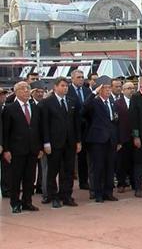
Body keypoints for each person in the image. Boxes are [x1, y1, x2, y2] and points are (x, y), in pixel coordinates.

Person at [39, 77, 81, 208]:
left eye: (66, 86)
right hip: (54, 142)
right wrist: (46, 143)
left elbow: (76, 123)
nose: (65, 88)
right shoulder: (47, 102)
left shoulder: (71, 101)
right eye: (62, 85)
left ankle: (66, 195)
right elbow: (44, 124)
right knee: (53, 171)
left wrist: (78, 141)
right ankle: (53, 196)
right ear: (55, 87)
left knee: (68, 170)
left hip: (70, 142)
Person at [2, 81, 43, 213]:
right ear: (16, 92)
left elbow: (39, 129)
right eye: (23, 89)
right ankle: (15, 203)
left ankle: (27, 202)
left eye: (28, 89)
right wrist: (6, 150)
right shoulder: (9, 108)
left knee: (29, 177)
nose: (26, 91)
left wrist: (40, 147)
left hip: (32, 149)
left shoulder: (34, 107)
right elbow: (5, 131)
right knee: (15, 178)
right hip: (16, 150)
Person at [81, 76, 119, 203]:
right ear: (100, 89)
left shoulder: (112, 102)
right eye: (105, 88)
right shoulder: (95, 102)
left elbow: (115, 121)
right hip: (97, 140)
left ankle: (108, 192)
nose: (108, 91)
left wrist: (117, 140)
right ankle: (97, 193)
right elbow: (84, 108)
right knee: (98, 167)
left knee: (110, 167)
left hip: (110, 140)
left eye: (109, 88)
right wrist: (93, 93)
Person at [66, 69, 92, 190]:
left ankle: (84, 181)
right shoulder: (68, 91)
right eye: (78, 77)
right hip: (73, 128)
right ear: (72, 79)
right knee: (72, 157)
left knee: (84, 157)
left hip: (86, 128)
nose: (81, 79)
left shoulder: (87, 91)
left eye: (82, 77)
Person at [114, 81, 135, 192]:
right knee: (121, 163)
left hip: (134, 137)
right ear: (123, 90)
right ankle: (121, 184)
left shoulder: (136, 102)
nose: (131, 90)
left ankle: (134, 183)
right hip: (123, 137)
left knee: (134, 162)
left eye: (133, 88)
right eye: (128, 88)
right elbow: (116, 123)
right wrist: (118, 140)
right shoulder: (117, 103)